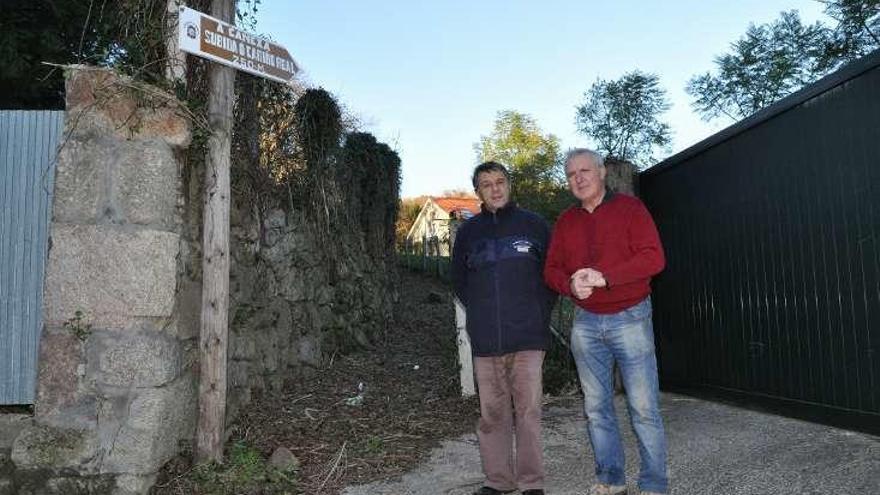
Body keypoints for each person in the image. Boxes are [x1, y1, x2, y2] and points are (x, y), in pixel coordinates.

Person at [544, 148, 668, 495]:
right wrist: (569, 284)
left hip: (630, 316)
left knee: (643, 407)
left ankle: (654, 484)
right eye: (571, 174)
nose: (578, 178)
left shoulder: (631, 209)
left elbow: (654, 258)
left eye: (585, 171)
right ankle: (612, 479)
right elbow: (551, 269)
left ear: (601, 173)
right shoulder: (566, 221)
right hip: (586, 322)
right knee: (596, 408)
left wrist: (606, 277)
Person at [451, 161, 555, 495]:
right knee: (492, 415)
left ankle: (531, 483)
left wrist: (537, 314)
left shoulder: (534, 225)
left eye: (500, 181)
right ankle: (498, 481)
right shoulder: (468, 233)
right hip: (486, 341)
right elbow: (459, 282)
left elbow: (551, 277)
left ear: (509, 184)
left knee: (528, 413)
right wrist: (481, 315)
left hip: (527, 338)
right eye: (486, 184)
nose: (495, 188)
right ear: (478, 191)